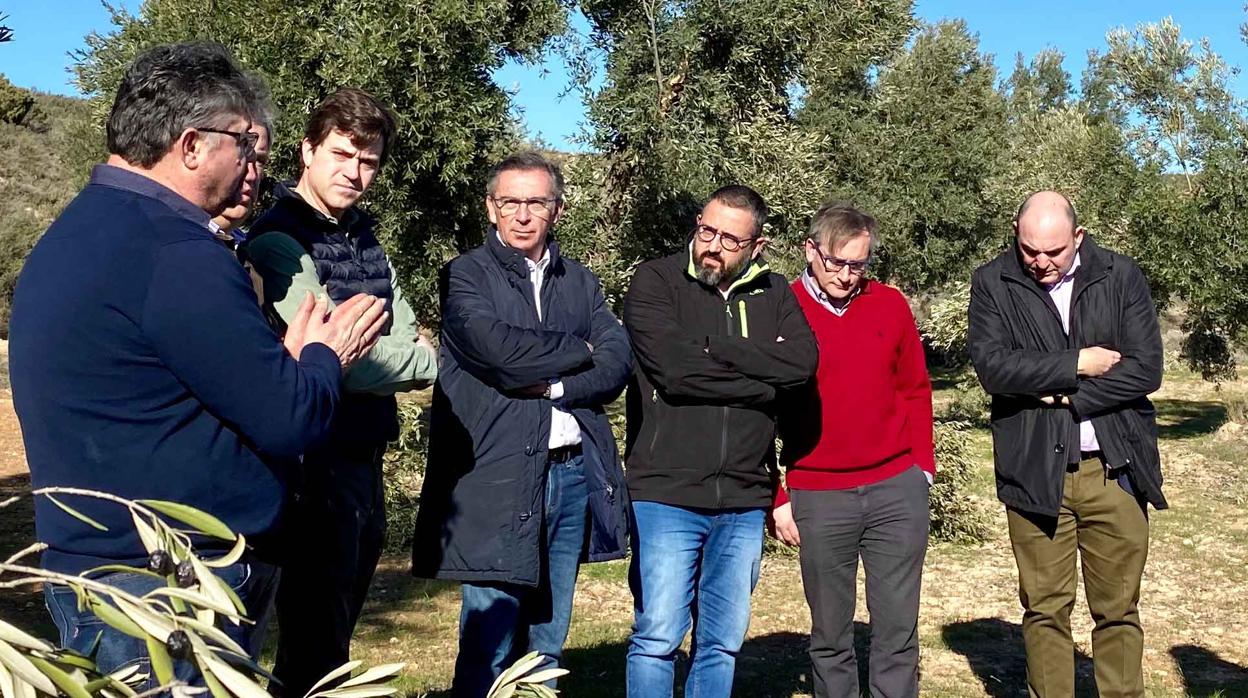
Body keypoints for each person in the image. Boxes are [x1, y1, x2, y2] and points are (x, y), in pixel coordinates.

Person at [8, 41, 387, 683]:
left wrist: (283, 367)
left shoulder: (82, 230)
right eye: (243, 144)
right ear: (191, 145)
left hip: (101, 569)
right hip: (170, 590)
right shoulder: (175, 253)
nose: (253, 166)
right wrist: (324, 355)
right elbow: (290, 417)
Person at [411, 152, 632, 698]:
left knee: (546, 643)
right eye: (511, 201)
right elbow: (498, 352)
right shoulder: (466, 275)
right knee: (489, 642)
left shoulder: (580, 282)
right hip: (497, 474)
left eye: (536, 201)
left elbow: (618, 360)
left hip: (572, 474)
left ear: (556, 209)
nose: (523, 214)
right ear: (491, 207)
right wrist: (579, 348)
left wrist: (559, 383)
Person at [243, 87, 438, 697]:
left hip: (363, 451)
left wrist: (398, 352)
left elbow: (395, 334)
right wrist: (428, 362)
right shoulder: (281, 240)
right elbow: (344, 361)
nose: (355, 173)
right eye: (342, 155)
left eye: (369, 160)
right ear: (307, 151)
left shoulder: (365, 237)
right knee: (313, 640)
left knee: (339, 625)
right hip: (311, 464)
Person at [967, 191, 1167, 698]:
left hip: (1114, 469)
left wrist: (1064, 398)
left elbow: (1145, 369)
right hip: (1034, 470)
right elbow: (994, 368)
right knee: (1044, 608)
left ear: (1077, 238)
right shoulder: (994, 282)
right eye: (1030, 249)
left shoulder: (1119, 277)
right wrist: (1078, 362)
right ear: (1016, 231)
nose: (1040, 262)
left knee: (1118, 609)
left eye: (1053, 252)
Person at [622, 184, 818, 698]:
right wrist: (762, 374)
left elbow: (802, 365)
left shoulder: (775, 293)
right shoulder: (656, 281)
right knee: (657, 637)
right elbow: (677, 373)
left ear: (757, 246)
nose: (712, 245)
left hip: (744, 497)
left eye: (730, 239)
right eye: (707, 230)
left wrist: (717, 346)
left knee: (721, 643)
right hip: (665, 491)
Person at [771, 203, 933, 698]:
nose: (845, 275)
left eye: (858, 265)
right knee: (830, 637)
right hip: (818, 495)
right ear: (810, 250)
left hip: (896, 490)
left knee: (897, 632)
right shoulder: (781, 309)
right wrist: (778, 498)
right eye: (836, 262)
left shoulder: (889, 304)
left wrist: (921, 468)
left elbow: (915, 389)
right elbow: (757, 412)